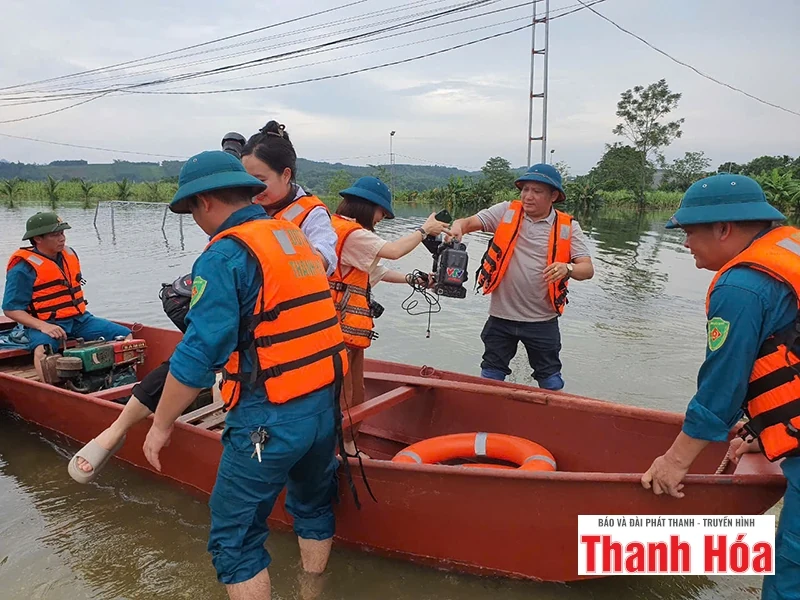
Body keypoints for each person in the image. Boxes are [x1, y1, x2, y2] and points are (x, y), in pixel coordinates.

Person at [68, 123, 342, 482]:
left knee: (200, 353)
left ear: (286, 175)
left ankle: (150, 425)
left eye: (257, 181)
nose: (251, 192)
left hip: (287, 331)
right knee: (190, 354)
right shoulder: (247, 222)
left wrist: (271, 266)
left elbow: (323, 257)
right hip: (257, 326)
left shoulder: (308, 216)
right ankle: (120, 427)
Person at [142, 150, 348, 599]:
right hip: (323, 406)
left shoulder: (226, 255)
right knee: (312, 505)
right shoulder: (291, 236)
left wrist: (159, 426)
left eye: (192, 211)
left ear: (206, 202)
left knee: (234, 540)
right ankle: (312, 591)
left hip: (267, 415)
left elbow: (198, 357)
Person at [640, 173, 798, 599]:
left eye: (690, 232)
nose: (685, 243)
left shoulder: (742, 285)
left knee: (791, 567)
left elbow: (721, 388)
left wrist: (674, 461)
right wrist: (760, 432)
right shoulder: (790, 253)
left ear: (724, 229)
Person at [328, 176, 450, 457]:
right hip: (339, 330)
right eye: (382, 212)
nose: (382, 218)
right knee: (347, 394)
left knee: (352, 391)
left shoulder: (341, 231)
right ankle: (343, 450)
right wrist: (424, 230)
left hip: (340, 327)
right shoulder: (352, 234)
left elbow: (374, 273)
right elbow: (393, 252)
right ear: (367, 207)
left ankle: (344, 445)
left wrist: (415, 279)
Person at [447, 163, 594, 390]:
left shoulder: (568, 227)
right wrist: (458, 227)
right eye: (525, 189)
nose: (528, 196)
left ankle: (550, 422)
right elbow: (467, 223)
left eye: (537, 191)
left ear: (553, 196)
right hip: (501, 316)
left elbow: (587, 269)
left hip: (542, 320)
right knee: (490, 376)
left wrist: (568, 268)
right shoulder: (506, 211)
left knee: (550, 380)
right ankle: (488, 421)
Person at [3, 211, 132, 382]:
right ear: (38, 239)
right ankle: (53, 394)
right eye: (55, 235)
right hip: (45, 322)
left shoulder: (69, 254)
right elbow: (11, 309)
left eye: (62, 233)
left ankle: (122, 380)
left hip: (80, 320)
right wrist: (43, 326)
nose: (62, 238)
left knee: (126, 337)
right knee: (43, 351)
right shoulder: (23, 268)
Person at [240, 120, 337, 276]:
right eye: (247, 180)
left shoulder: (312, 214)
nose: (253, 188)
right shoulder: (242, 204)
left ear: (286, 175)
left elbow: (326, 259)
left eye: (261, 180)